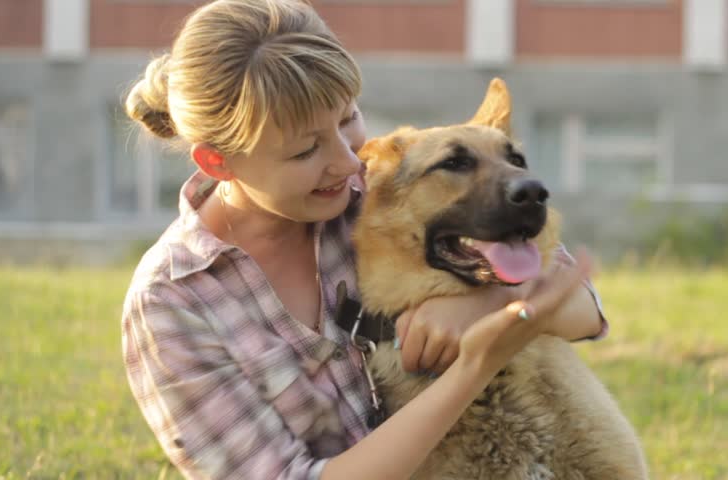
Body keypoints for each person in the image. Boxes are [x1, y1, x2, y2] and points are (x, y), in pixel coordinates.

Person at [121, 1, 608, 478]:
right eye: (307, 149)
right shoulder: (172, 302)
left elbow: (585, 308)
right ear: (218, 163)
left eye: (348, 118)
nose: (348, 160)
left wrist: (487, 302)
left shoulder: (379, 192)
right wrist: (474, 367)